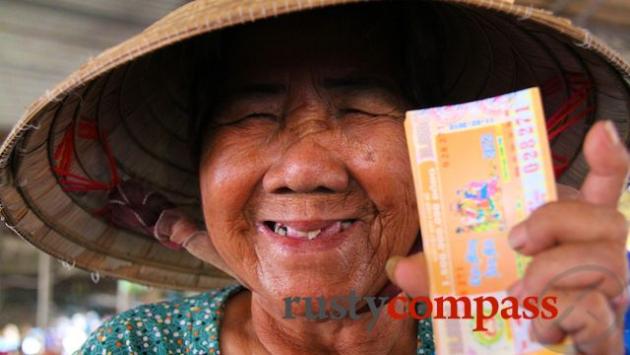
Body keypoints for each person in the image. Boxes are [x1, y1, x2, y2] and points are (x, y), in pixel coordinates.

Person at [0, 1, 628, 354]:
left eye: (357, 107)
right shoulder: (136, 348)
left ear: (429, 153)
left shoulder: (511, 331)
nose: (305, 170)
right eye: (250, 115)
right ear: (200, 169)